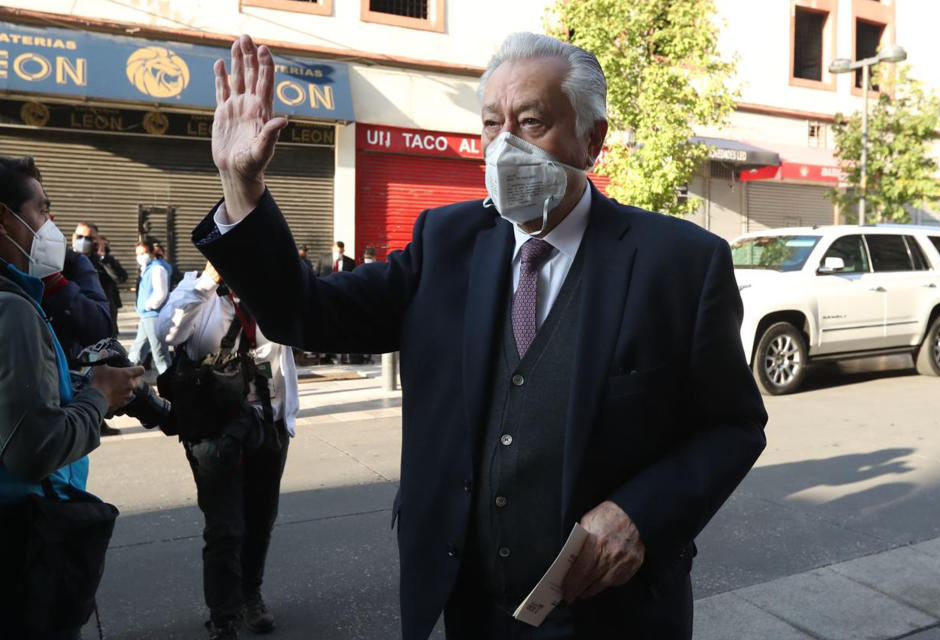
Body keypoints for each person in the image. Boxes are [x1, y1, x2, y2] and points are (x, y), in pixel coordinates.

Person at [195, 34, 767, 640]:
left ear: (592, 140)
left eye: (532, 121)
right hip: (466, 603)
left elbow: (732, 426)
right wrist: (242, 187)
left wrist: (640, 516)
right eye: (492, 123)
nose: (506, 145)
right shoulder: (445, 242)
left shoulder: (677, 263)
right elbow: (304, 315)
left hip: (612, 614)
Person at [0, 154, 143, 640]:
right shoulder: (13, 310)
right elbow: (32, 448)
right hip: (23, 544)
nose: (50, 226)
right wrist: (98, 397)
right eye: (41, 210)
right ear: (5, 217)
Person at [157, 261, 298, 640]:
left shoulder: (269, 289)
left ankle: (250, 594)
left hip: (267, 424)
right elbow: (166, 332)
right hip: (215, 431)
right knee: (224, 528)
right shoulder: (196, 290)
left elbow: (293, 340)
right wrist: (207, 281)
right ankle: (223, 616)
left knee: (260, 520)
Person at [129, 239, 173, 374]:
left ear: (152, 252)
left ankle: (169, 383)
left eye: (144, 253)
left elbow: (161, 293)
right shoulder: (147, 269)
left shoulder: (157, 269)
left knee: (159, 353)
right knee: (138, 349)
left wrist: (148, 306)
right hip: (146, 316)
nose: (141, 256)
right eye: (138, 254)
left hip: (154, 316)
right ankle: (127, 375)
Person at [73, 221, 122, 337]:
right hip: (76, 320)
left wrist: (103, 256)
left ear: (96, 240)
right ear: (74, 237)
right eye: (80, 237)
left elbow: (120, 277)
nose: (83, 241)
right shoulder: (66, 258)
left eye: (88, 238)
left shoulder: (103, 260)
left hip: (101, 318)